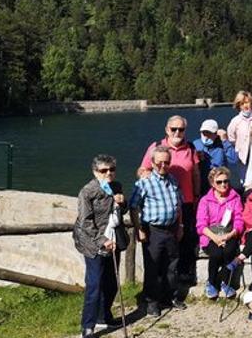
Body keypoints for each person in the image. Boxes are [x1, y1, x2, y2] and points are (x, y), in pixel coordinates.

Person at [139, 115, 200, 284]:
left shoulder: (191, 148)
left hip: (186, 201)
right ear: (167, 130)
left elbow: (195, 173)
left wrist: (196, 196)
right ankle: (159, 281)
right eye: (174, 129)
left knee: (185, 239)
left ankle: (183, 276)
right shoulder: (157, 147)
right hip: (162, 204)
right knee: (163, 246)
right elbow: (142, 170)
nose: (177, 132)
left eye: (181, 129)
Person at [75, 154, 128, 338]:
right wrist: (102, 241)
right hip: (93, 243)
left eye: (112, 169)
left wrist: (123, 203)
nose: (108, 174)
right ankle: (87, 325)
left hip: (113, 239)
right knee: (95, 284)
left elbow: (121, 212)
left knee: (112, 282)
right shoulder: (87, 192)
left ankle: (104, 315)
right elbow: (85, 222)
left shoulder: (117, 186)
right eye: (103, 170)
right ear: (95, 171)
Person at [129, 146, 186, 317]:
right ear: (152, 163)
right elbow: (133, 207)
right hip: (153, 230)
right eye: (159, 162)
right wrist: (139, 229)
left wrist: (181, 226)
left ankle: (170, 297)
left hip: (172, 228)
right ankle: (151, 302)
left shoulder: (174, 181)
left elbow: (179, 205)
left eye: (166, 162)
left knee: (172, 265)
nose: (163, 165)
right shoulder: (144, 183)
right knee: (152, 267)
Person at [195, 166, 243, 300]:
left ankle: (225, 282)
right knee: (216, 254)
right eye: (219, 182)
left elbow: (239, 219)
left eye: (226, 181)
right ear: (212, 183)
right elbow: (201, 225)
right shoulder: (205, 201)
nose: (223, 185)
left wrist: (230, 235)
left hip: (229, 233)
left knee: (229, 251)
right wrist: (215, 238)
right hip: (211, 235)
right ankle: (211, 282)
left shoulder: (235, 198)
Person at [193, 119, 237, 197]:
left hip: (220, 187)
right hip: (202, 188)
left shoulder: (222, 145)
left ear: (216, 134)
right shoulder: (195, 145)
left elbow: (234, 160)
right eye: (204, 133)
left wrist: (225, 140)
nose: (206, 136)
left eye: (209, 133)